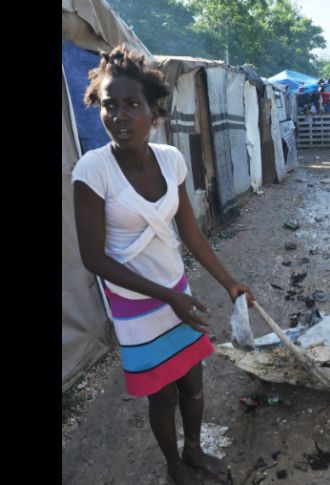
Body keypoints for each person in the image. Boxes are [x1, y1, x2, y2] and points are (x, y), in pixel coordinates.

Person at [72, 45, 256, 485]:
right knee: (163, 397)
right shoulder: (91, 171)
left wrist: (229, 282)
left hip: (175, 290)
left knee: (193, 384)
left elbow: (191, 234)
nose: (119, 115)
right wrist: (166, 297)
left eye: (131, 105)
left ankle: (193, 450)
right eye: (109, 105)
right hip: (137, 305)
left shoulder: (172, 160)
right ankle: (174, 468)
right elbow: (92, 257)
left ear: (154, 112)